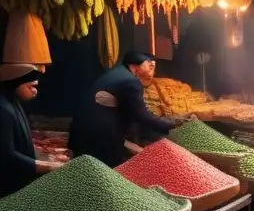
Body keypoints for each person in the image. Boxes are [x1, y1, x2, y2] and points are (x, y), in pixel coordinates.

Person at [68, 51, 174, 167]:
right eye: (149, 65)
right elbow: (141, 115)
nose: (152, 69)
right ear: (134, 66)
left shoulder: (117, 73)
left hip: (81, 132)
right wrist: (171, 127)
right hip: (99, 137)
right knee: (106, 171)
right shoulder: (131, 81)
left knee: (86, 168)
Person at [0, 64, 60, 197]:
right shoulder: (3, 110)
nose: (35, 91)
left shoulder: (12, 101)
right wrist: (48, 166)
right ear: (17, 83)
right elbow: (7, 155)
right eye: (31, 86)